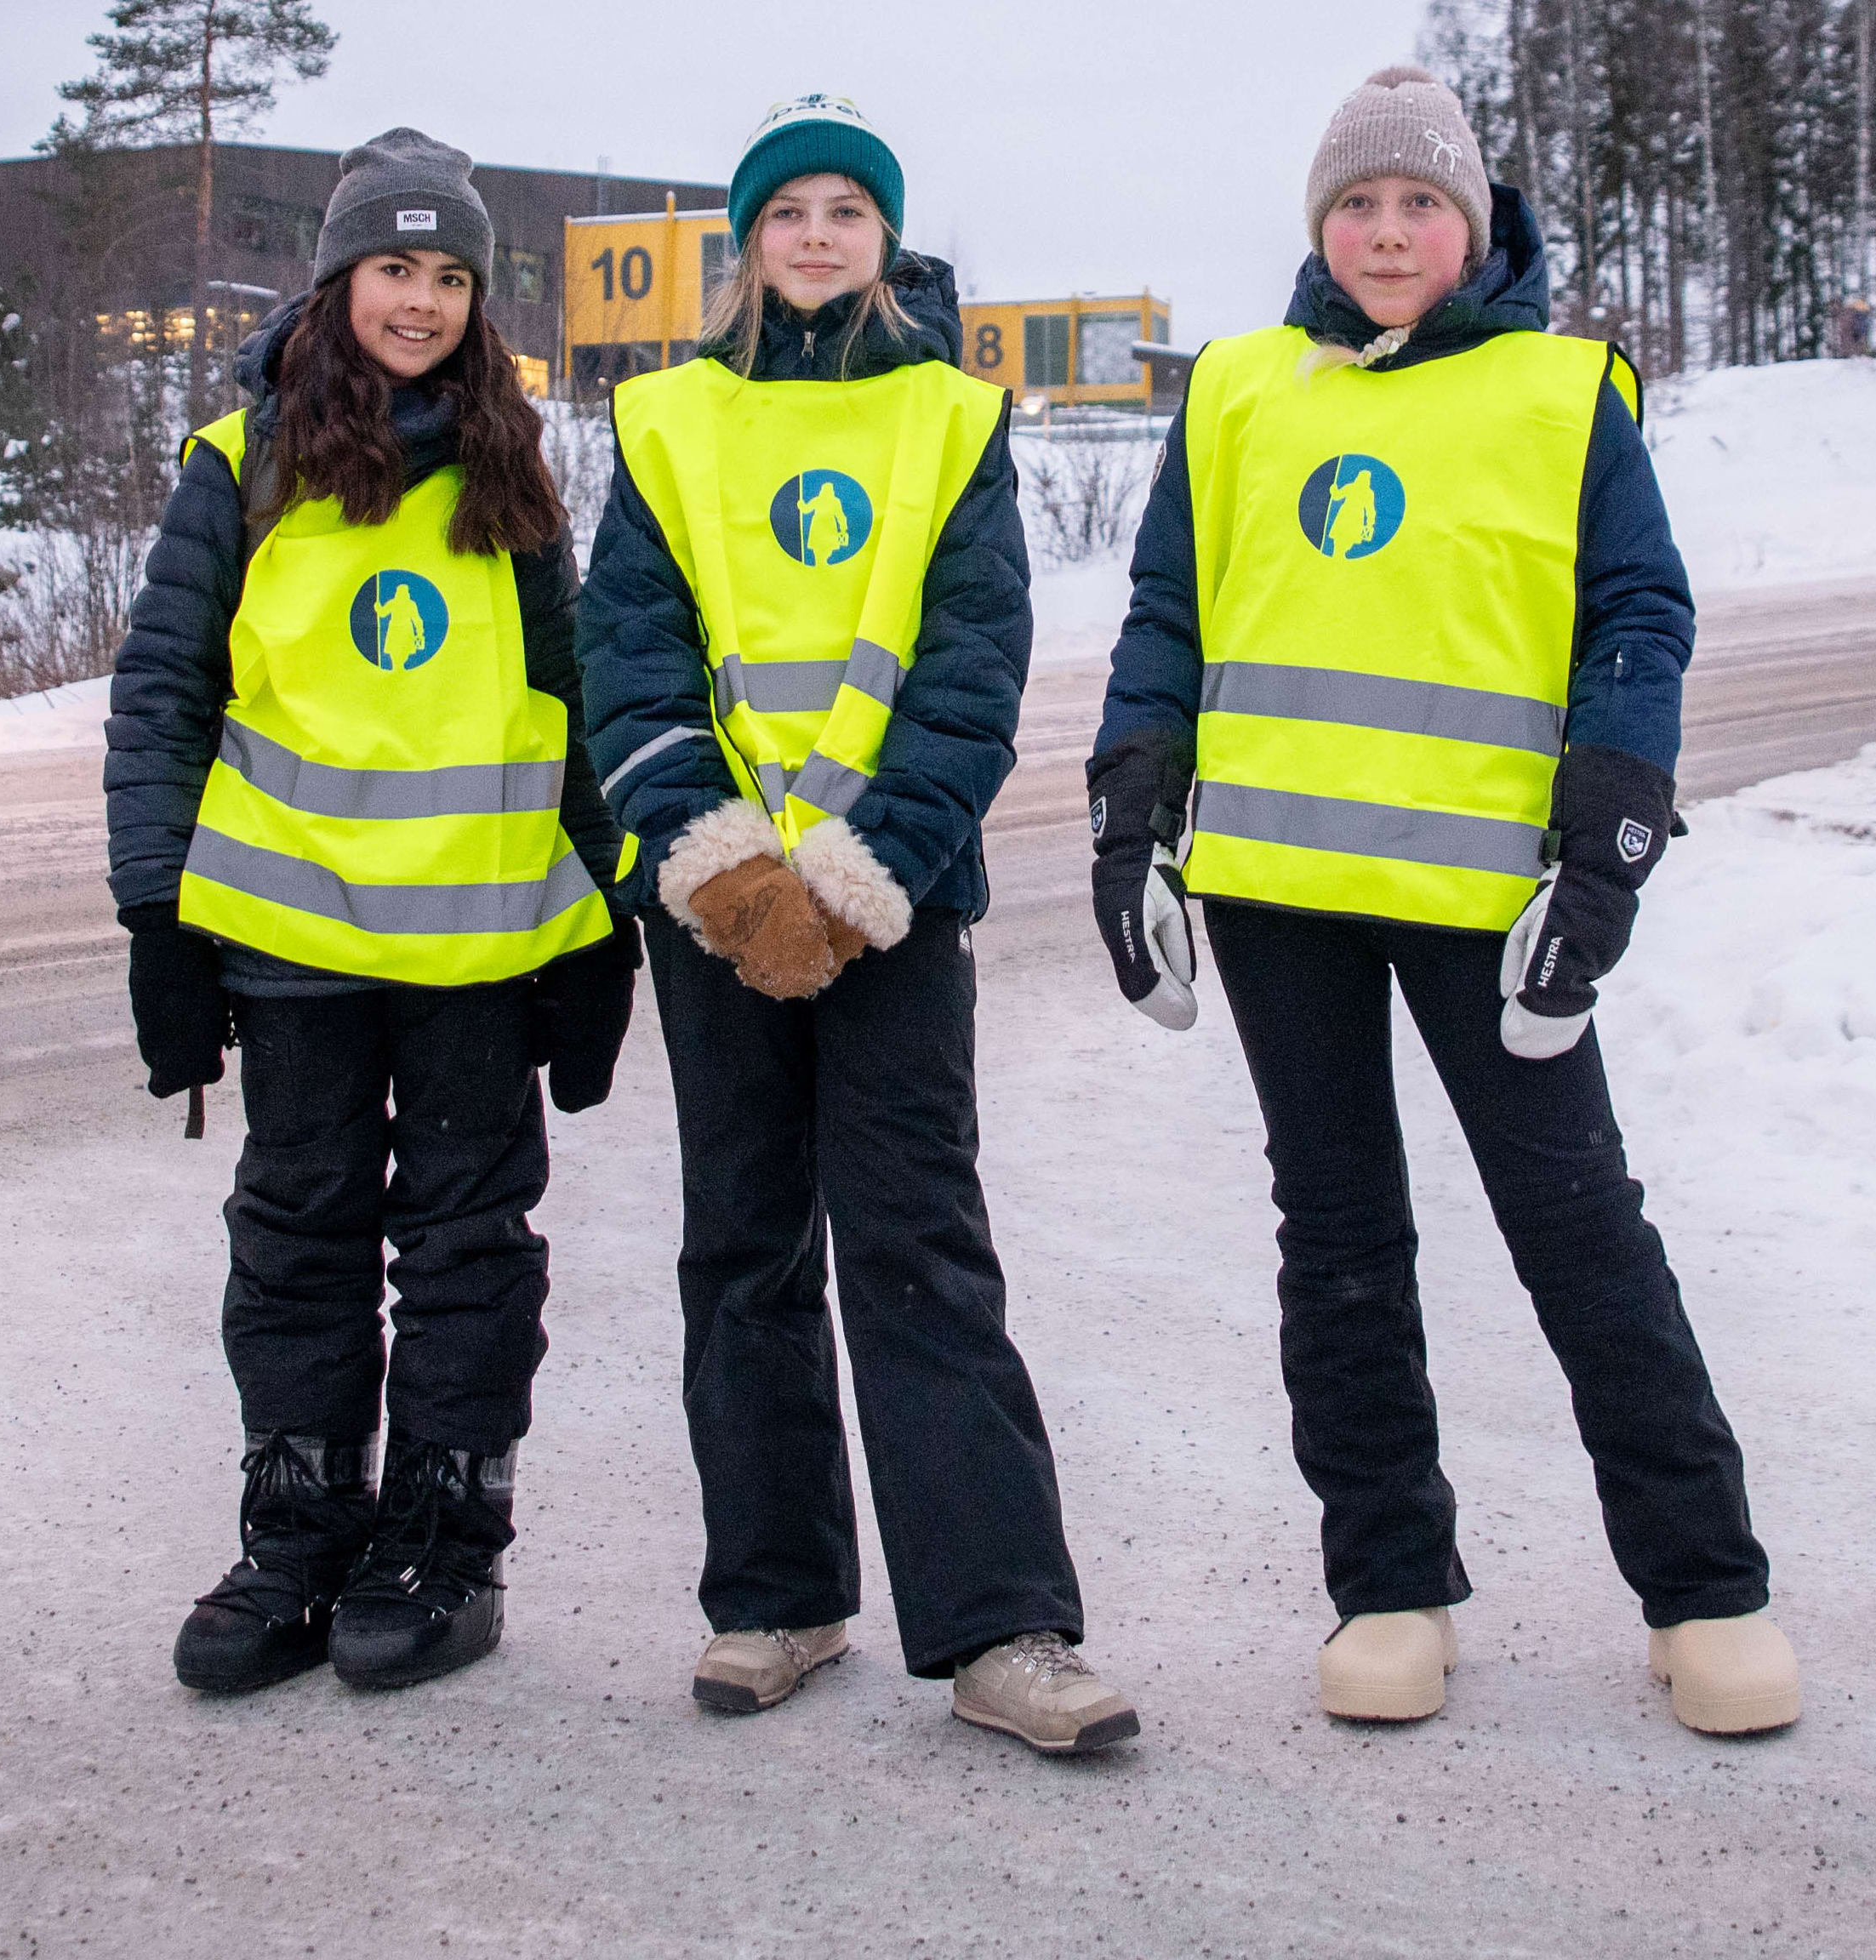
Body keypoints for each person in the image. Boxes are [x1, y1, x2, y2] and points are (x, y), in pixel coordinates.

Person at [1086, 66, 1800, 1736]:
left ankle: (1705, 1590)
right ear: (1319, 225)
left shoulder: (1563, 393)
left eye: (1420, 204)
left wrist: (1606, 846)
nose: (1389, 233)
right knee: (1337, 1238)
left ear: (1474, 225)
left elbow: (1638, 619)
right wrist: (1132, 822)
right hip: (1281, 896)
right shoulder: (1238, 390)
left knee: (1577, 1223)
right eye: (1358, 203)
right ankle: (1390, 1587)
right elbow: (1166, 616)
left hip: (1490, 900)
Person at [578, 95, 1137, 1756]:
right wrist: (725, 869)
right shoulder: (667, 421)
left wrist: (854, 872)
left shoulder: (951, 419)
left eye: (845, 210)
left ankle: (1002, 1629)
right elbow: (628, 659)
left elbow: (973, 667)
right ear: (746, 241)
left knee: (918, 1250)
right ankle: (778, 1597)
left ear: (885, 237)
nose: (816, 235)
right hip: (717, 910)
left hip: (894, 902)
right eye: (788, 211)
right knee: (742, 1250)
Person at [106, 129, 641, 1696]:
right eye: (395, 268)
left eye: (451, 276)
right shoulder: (241, 465)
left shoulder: (514, 474)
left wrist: (602, 919)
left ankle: (443, 1546)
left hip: (477, 953)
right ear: (337, 280)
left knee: (467, 1252)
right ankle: (298, 1540)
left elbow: (570, 711)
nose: (421, 301)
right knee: (297, 1245)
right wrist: (156, 919)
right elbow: (164, 697)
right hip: (291, 953)